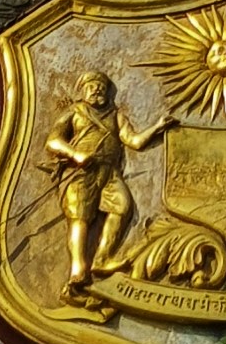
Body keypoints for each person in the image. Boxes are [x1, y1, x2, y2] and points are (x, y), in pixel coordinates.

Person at [38, 72, 153, 296]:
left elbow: (133, 140)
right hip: (80, 172)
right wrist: (75, 154)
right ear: (83, 90)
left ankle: (102, 258)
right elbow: (53, 141)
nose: (96, 89)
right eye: (91, 85)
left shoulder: (115, 115)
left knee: (122, 206)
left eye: (101, 85)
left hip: (108, 172)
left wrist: (157, 127)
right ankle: (77, 270)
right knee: (80, 218)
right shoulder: (75, 112)